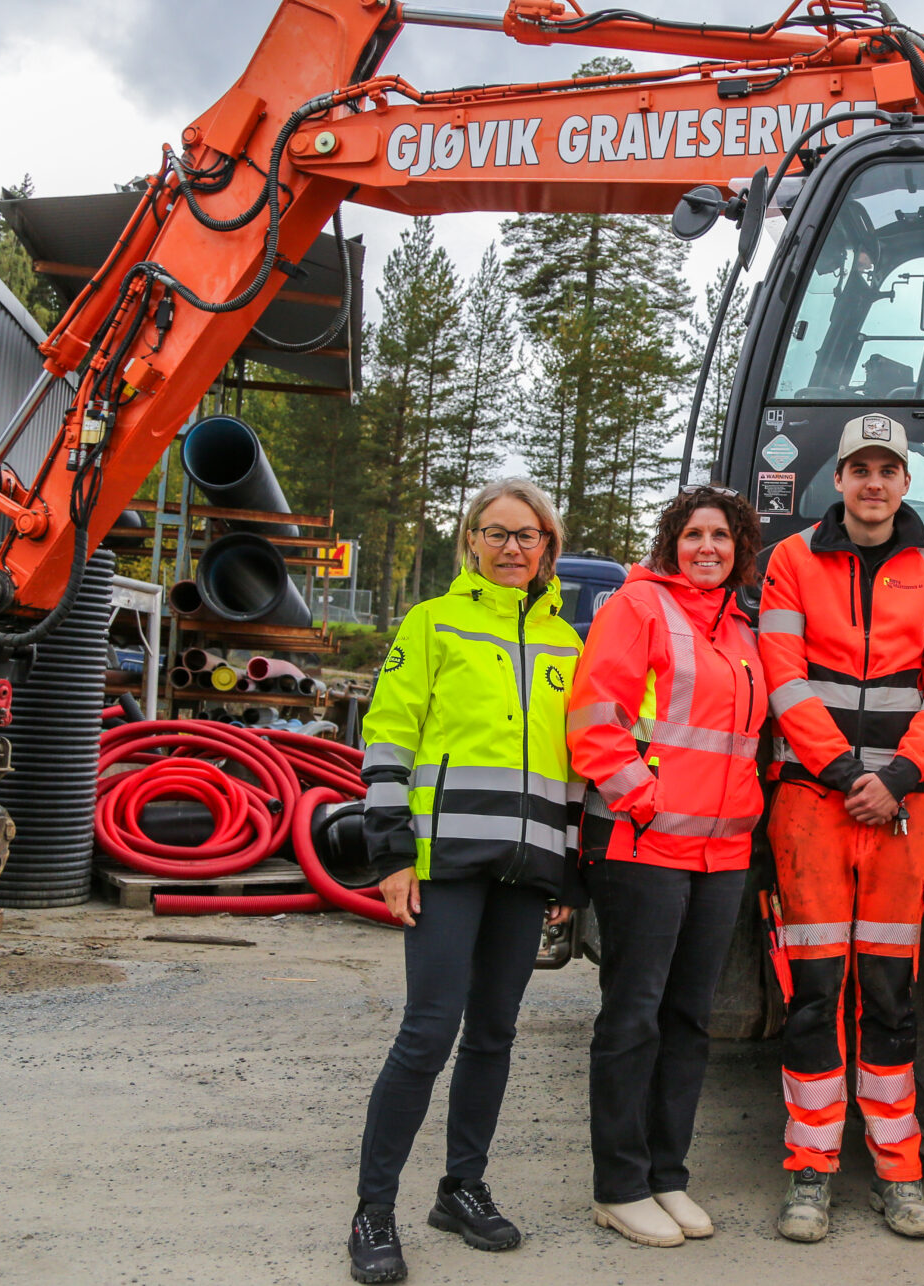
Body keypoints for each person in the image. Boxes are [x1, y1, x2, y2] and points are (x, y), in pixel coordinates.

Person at [349, 478, 585, 1285]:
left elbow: (578, 769)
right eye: (496, 533)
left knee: (494, 1033)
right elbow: (388, 738)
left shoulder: (568, 644)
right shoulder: (433, 622)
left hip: (528, 867)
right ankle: (374, 1209)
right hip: (444, 862)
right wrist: (390, 855)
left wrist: (569, 871)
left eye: (527, 535)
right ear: (472, 542)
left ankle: (462, 1188)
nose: (512, 548)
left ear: (548, 547)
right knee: (428, 1032)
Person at [758, 413, 924, 1242]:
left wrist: (902, 779)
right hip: (814, 804)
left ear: (905, 482)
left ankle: (897, 1173)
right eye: (860, 469)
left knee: (888, 993)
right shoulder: (791, 559)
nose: (873, 483)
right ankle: (810, 1171)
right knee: (814, 994)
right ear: (839, 480)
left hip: (900, 812)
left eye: (887, 470)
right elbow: (782, 676)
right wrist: (851, 776)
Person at [566, 486, 768, 1249]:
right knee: (633, 1015)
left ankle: (666, 1175)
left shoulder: (741, 629)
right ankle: (619, 1187)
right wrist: (645, 802)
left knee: (689, 1019)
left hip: (720, 852)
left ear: (740, 549)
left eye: (721, 535)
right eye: (693, 534)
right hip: (642, 846)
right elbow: (595, 720)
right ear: (671, 543)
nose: (707, 547)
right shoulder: (637, 607)